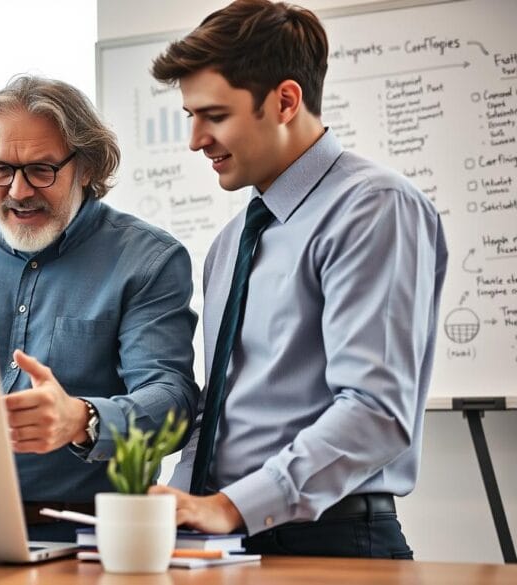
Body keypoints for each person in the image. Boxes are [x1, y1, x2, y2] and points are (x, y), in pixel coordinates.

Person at [146, 0, 448, 559]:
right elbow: (225, 409)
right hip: (226, 541)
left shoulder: (373, 208)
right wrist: (180, 509)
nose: (194, 140)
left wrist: (231, 506)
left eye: (213, 115)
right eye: (190, 116)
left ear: (285, 100)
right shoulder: (232, 239)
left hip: (332, 542)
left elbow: (376, 412)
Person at [0, 75, 199, 542]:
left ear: (88, 168)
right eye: (0, 169)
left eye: (41, 170)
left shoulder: (148, 259)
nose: (17, 191)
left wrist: (82, 418)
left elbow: (172, 399)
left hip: (92, 538)